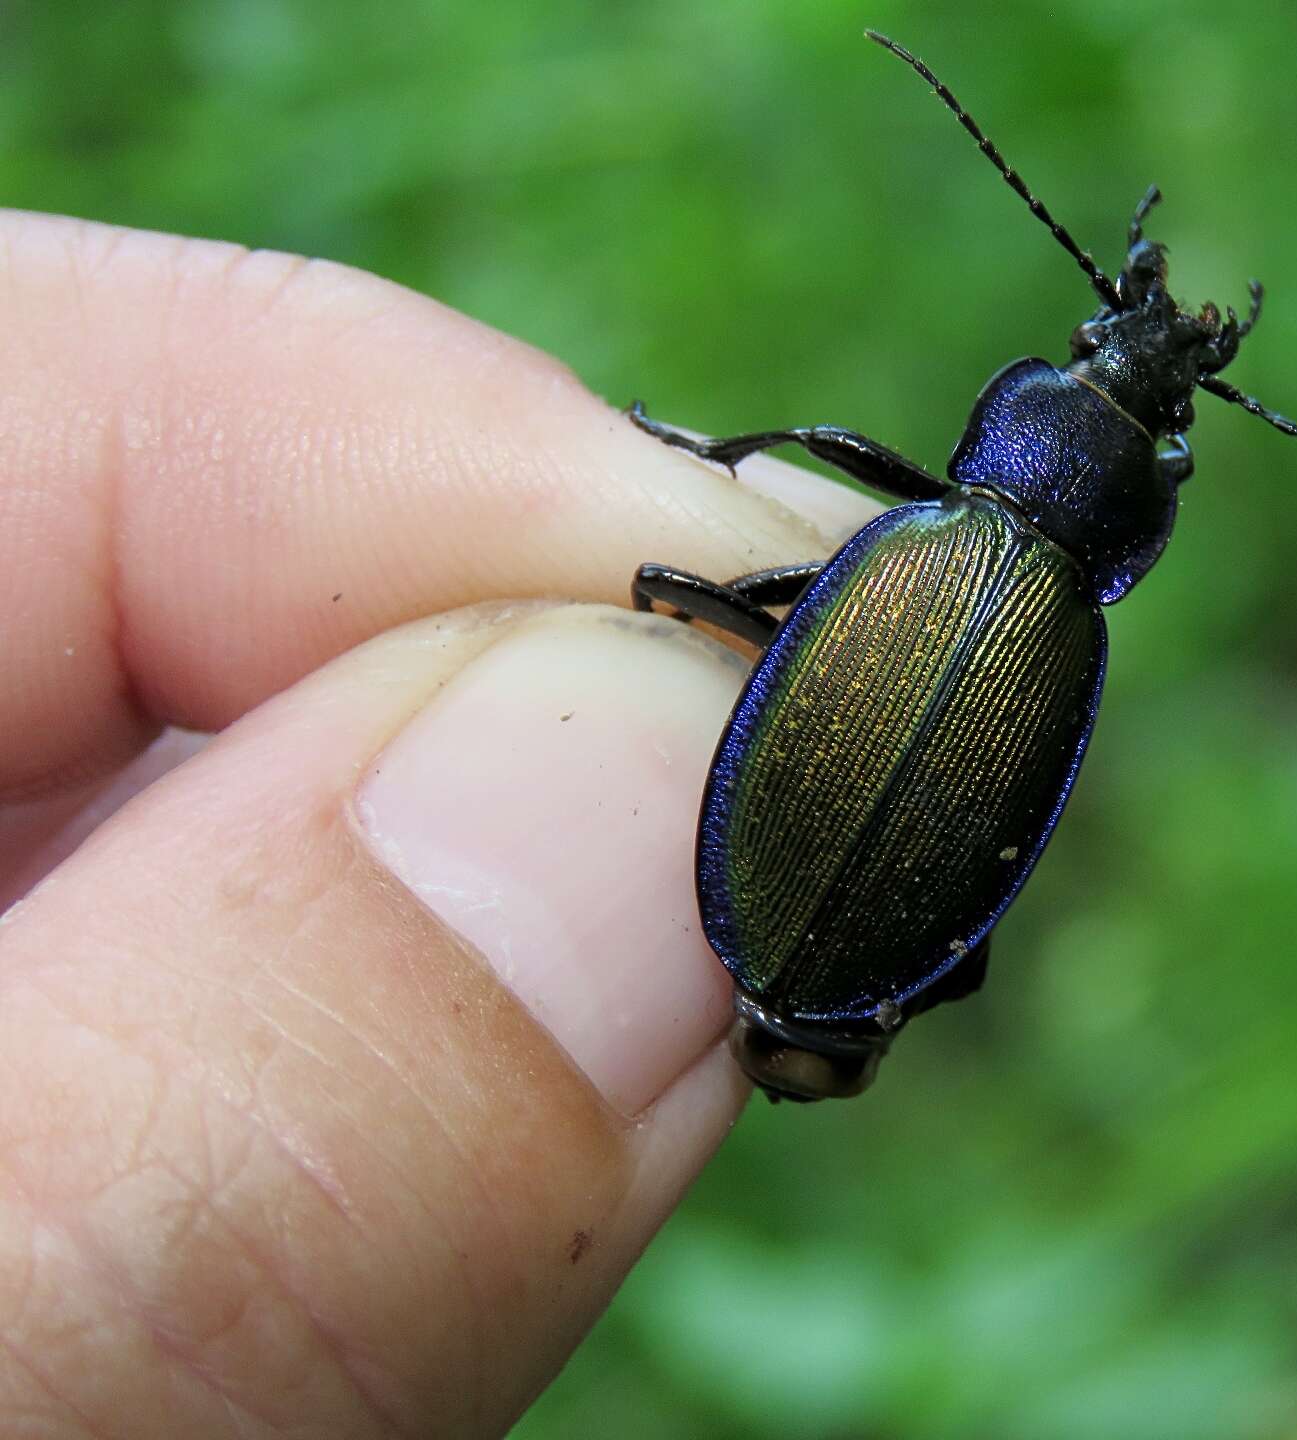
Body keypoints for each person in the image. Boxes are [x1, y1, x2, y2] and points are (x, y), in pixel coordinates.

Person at [0, 211, 873, 1435]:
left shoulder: (924, 549)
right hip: (840, 927)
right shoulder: (1059, 648)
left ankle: (699, 472)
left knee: (684, 596)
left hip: (780, 871)